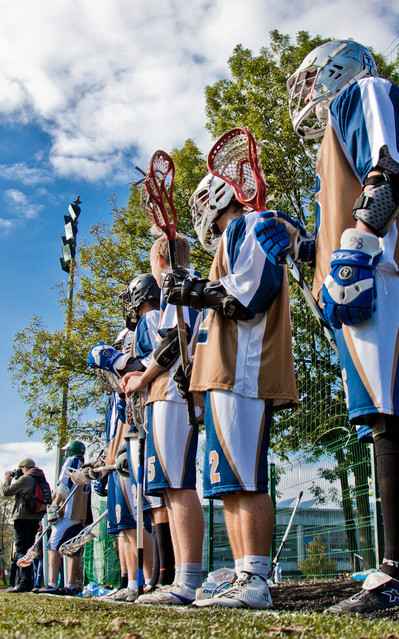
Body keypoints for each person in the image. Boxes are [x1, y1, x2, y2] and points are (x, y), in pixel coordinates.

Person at [263, 39, 399, 613]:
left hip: (382, 272)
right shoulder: (334, 137)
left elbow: (386, 175)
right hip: (367, 271)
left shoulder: (364, 93)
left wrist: (357, 247)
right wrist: (299, 244)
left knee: (389, 416)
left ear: (337, 70)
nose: (306, 94)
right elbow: (345, 219)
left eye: (311, 79)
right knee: (380, 418)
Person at [150, 170, 298, 610]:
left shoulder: (248, 225)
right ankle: (242, 574)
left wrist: (191, 290)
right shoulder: (229, 238)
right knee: (230, 482)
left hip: (244, 370)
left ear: (216, 198)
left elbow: (248, 297)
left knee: (245, 477)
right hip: (222, 372)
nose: (198, 214)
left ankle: (254, 579)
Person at [119, 234, 199, 605]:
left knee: (178, 484)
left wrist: (141, 376)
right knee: (170, 486)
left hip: (174, 392)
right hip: (170, 392)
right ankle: (181, 577)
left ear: (158, 259)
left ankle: (188, 578)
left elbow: (172, 341)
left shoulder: (178, 283)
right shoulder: (183, 282)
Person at [87, 276, 159, 601]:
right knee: (124, 525)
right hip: (121, 449)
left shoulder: (148, 329)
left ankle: (152, 581)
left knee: (142, 517)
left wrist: (120, 361)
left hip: (140, 439)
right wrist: (106, 459)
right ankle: (131, 584)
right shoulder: (115, 398)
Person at [40, 440, 92, 595]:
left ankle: (53, 584)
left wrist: (55, 506)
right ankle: (70, 586)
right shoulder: (85, 466)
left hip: (68, 512)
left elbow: (63, 487)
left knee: (53, 547)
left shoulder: (71, 461)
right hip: (80, 514)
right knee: (73, 550)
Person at [1, 458, 49, 593]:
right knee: (29, 550)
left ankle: (24, 583)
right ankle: (28, 581)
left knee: (22, 550)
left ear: (24, 468)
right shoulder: (40, 478)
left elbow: (6, 491)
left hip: (22, 518)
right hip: (35, 518)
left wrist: (7, 479)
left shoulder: (26, 479)